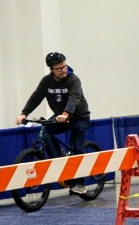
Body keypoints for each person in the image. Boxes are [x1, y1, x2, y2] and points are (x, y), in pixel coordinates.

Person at [16, 52, 91, 194]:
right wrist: (24, 113)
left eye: (64, 66)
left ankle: (80, 183)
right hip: (60, 116)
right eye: (59, 68)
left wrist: (66, 113)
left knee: (77, 147)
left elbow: (74, 98)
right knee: (45, 132)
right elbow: (36, 96)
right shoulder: (46, 81)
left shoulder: (73, 80)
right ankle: (59, 156)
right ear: (51, 70)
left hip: (78, 117)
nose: (63, 70)